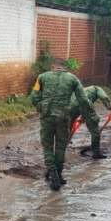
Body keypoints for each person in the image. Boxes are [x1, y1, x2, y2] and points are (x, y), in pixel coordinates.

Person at [31, 58, 93, 190]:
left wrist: (41, 107)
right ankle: (58, 174)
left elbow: (34, 97)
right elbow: (83, 99)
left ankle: (53, 175)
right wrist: (85, 115)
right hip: (64, 117)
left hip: (47, 117)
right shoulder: (73, 79)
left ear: (53, 66)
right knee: (60, 147)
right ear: (64, 67)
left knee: (47, 147)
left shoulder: (42, 77)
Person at [69, 85, 111, 159]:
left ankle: (64, 143)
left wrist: (82, 117)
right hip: (85, 103)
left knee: (69, 123)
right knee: (94, 128)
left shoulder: (84, 90)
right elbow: (104, 97)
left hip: (71, 104)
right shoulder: (97, 88)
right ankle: (96, 153)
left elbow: (80, 104)